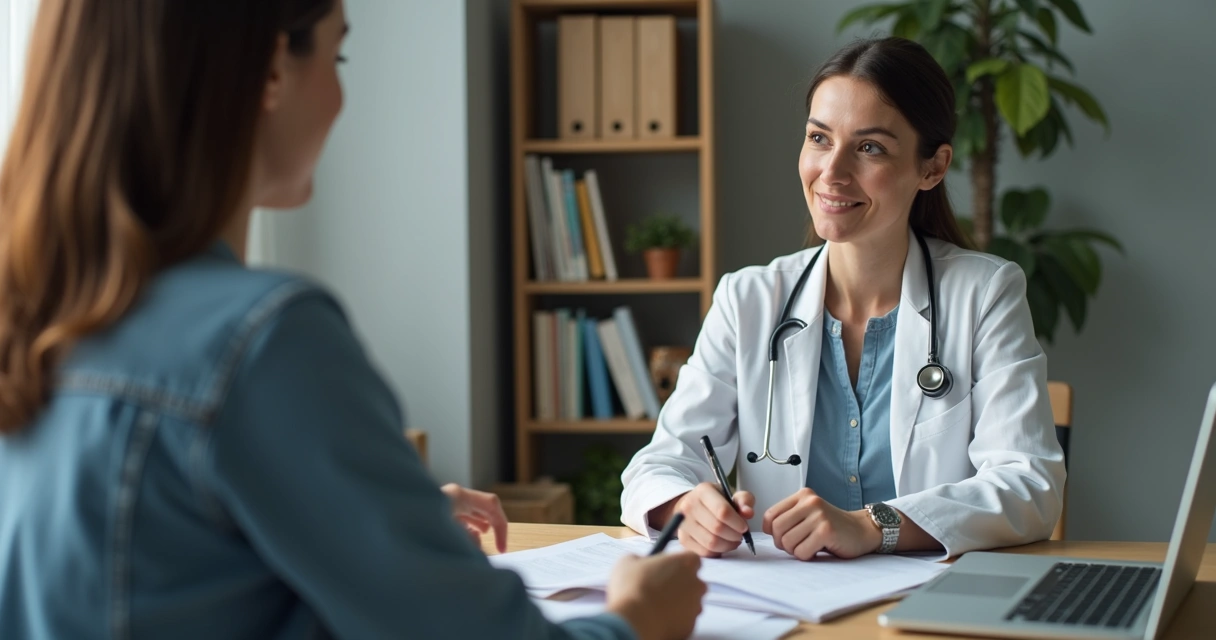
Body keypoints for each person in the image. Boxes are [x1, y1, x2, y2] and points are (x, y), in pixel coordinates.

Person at [0, 1, 705, 639]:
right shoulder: (260, 338)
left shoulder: (33, 316)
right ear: (273, 70)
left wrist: (378, 517)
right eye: (337, 57)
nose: (341, 97)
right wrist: (636, 620)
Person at [620, 37, 1066, 562]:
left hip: (928, 605)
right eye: (819, 138)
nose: (831, 172)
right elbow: (658, 466)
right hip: (787, 605)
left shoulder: (985, 293)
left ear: (933, 168)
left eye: (870, 147)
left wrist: (874, 526)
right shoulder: (748, 300)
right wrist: (687, 505)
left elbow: (1030, 484)